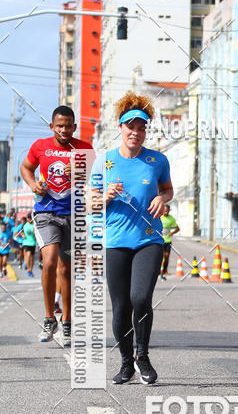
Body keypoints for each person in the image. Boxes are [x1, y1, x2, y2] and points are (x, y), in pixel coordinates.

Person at [90, 91, 173, 385]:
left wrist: (162, 199)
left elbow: (167, 189)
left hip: (149, 240)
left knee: (141, 297)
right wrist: (105, 196)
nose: (135, 132)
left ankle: (142, 356)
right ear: (120, 128)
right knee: (121, 307)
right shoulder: (104, 162)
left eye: (141, 128)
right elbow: (90, 202)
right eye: (130, 127)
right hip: (115, 241)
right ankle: (126, 363)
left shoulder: (157, 160)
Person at [20, 106, 93, 344]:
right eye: (59, 126)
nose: (64, 130)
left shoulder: (85, 149)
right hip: (46, 212)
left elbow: (96, 178)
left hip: (74, 214)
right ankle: (49, 317)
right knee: (50, 261)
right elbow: (26, 167)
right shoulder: (40, 146)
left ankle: (67, 322)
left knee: (66, 269)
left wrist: (80, 170)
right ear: (52, 126)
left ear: (74, 127)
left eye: (68, 126)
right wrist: (33, 184)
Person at [160, 204, 180, 279]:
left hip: (168, 240)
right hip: (160, 240)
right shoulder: (159, 217)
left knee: (167, 256)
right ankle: (158, 270)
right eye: (165, 211)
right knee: (160, 257)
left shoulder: (171, 218)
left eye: (167, 211)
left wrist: (172, 233)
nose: (166, 212)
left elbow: (177, 228)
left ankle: (164, 271)